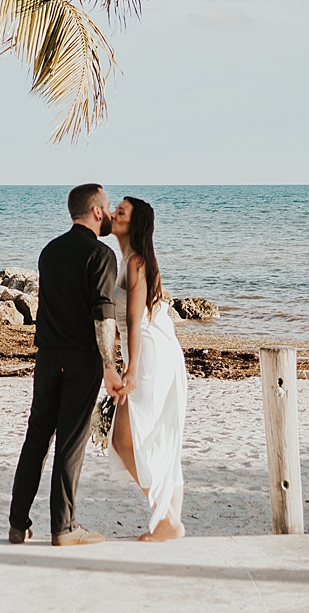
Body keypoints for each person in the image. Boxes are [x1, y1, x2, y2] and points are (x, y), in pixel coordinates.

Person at [8, 182, 122, 546]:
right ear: (95, 211)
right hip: (81, 360)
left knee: (36, 439)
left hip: (47, 357)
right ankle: (64, 527)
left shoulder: (49, 251)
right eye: (107, 205)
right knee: (71, 443)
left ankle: (17, 524)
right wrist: (109, 366)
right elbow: (103, 317)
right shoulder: (101, 255)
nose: (110, 211)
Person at [107, 195, 187, 540]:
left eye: (120, 211)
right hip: (153, 348)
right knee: (158, 436)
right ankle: (168, 523)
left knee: (124, 440)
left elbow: (134, 321)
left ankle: (168, 517)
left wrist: (131, 369)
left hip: (151, 352)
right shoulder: (127, 259)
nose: (113, 213)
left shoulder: (136, 262)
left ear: (132, 224)